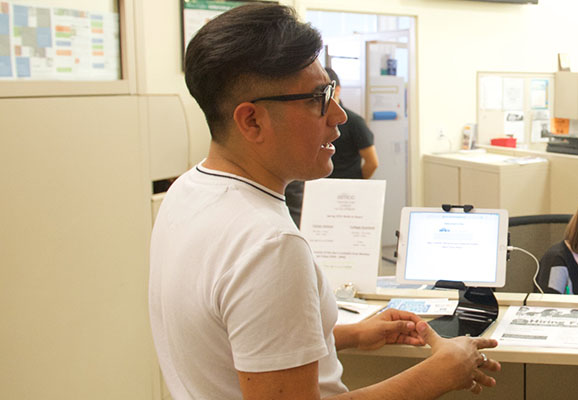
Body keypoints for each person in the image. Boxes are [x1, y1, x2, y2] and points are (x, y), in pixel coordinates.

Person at [149, 4, 499, 399]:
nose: (338, 116)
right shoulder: (269, 245)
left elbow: (234, 336)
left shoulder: (188, 191)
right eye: (319, 98)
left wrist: (345, 334)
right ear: (251, 121)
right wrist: (438, 373)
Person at [284, 67, 380, 227]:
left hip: (346, 194)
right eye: (316, 98)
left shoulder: (354, 122)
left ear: (337, 90)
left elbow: (372, 162)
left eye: (328, 93)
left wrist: (353, 184)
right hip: (318, 193)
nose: (336, 117)